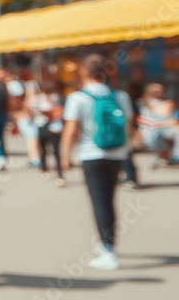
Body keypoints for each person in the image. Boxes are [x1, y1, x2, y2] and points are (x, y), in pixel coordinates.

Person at [60, 54, 133, 271]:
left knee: (100, 202)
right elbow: (129, 126)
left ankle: (108, 249)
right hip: (117, 154)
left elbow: (71, 130)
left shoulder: (78, 98)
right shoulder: (120, 96)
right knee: (109, 200)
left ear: (83, 72)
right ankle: (106, 243)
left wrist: (65, 157)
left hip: (91, 154)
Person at [32, 80, 66, 187]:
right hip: (41, 125)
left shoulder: (55, 97)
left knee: (56, 151)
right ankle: (44, 169)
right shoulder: (36, 99)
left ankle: (60, 174)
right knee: (43, 149)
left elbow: (58, 109)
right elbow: (32, 110)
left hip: (53, 126)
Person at [136, 83, 179, 167]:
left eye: (160, 90)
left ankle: (165, 158)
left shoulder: (167, 103)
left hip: (163, 130)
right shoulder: (144, 103)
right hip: (153, 132)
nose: (158, 92)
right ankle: (176, 156)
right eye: (156, 90)